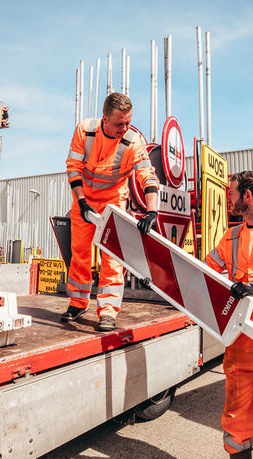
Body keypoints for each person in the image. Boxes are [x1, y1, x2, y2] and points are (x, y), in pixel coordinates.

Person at [62, 92, 159, 331]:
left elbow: (148, 175)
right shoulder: (85, 130)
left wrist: (152, 211)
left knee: (113, 258)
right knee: (80, 253)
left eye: (128, 122)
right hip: (84, 200)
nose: (124, 128)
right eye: (119, 123)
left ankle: (107, 311)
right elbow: (73, 168)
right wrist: (82, 203)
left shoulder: (133, 141)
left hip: (114, 201)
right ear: (104, 118)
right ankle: (78, 302)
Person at [205, 171, 253, 459]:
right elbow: (204, 271)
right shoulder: (231, 236)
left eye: (232, 194)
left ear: (247, 195)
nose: (228, 200)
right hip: (239, 342)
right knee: (236, 421)